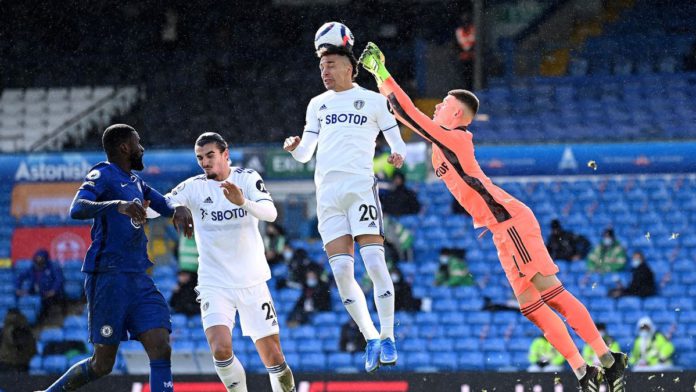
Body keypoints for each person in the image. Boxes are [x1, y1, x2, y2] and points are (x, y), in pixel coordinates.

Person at [359, 43, 627, 392]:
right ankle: (583, 371)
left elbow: (409, 114)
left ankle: (608, 358)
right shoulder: (443, 142)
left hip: (510, 222)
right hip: (499, 229)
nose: (438, 105)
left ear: (456, 115)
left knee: (550, 292)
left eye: (444, 103)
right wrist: (381, 83)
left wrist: (383, 74)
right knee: (531, 306)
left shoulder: (455, 139)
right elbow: (402, 115)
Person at [283, 40, 407, 372]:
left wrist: (398, 153)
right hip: (327, 195)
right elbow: (306, 153)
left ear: (350, 68)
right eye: (322, 67)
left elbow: (397, 139)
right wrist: (295, 147)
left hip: (359, 189)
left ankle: (389, 334)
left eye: (332, 65)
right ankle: (370, 337)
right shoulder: (316, 104)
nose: (325, 71)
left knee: (375, 265)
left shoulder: (374, 101)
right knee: (340, 272)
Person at [41, 124, 194, 392]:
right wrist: (117, 205)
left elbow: (162, 203)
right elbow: (77, 208)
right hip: (108, 278)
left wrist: (177, 208)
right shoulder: (103, 174)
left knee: (161, 347)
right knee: (102, 364)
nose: (142, 148)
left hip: (139, 279)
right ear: (125, 147)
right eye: (138, 142)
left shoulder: (136, 182)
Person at [165, 132, 295, 392]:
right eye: (200, 157)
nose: (205, 162)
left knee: (274, 356)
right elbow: (162, 203)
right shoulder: (193, 187)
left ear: (225, 154)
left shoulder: (246, 178)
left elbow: (271, 213)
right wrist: (163, 207)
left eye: (210, 155)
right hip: (215, 284)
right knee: (221, 350)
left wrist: (242, 202)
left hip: (252, 282)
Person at [15, 249, 65, 323]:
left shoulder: (53, 267)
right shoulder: (32, 268)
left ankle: (42, 321)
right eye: (37, 257)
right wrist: (18, 288)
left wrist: (53, 290)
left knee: (47, 303)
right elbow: (19, 278)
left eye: (41, 257)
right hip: (34, 292)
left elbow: (59, 280)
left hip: (49, 293)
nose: (39, 259)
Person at [0, 308, 36, 372]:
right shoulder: (26, 330)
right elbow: (32, 348)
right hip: (20, 363)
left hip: (8, 363)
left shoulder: (5, 330)